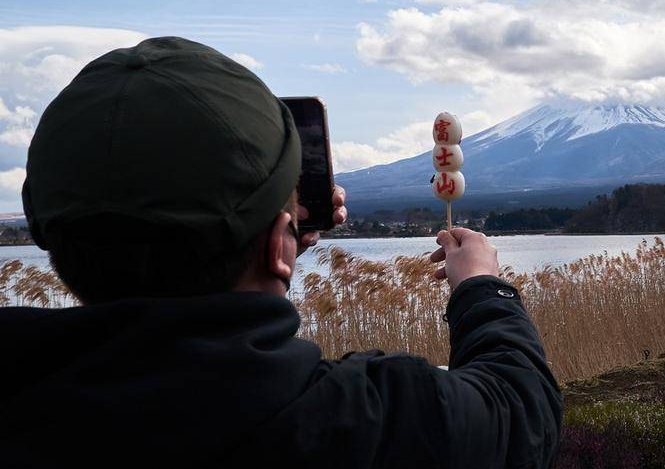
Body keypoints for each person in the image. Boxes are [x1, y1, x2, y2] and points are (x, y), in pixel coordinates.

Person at [0, 37, 562, 468]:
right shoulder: (351, 424)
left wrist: (276, 243)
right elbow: (520, 413)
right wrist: (482, 289)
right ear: (277, 246)